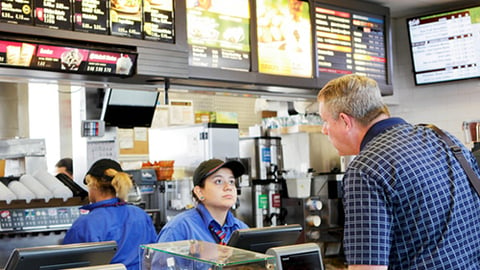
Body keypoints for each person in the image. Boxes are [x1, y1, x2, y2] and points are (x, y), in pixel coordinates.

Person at [317, 74, 480, 270]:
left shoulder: (365, 170)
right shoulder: (445, 140)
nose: (324, 130)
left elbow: (368, 268)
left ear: (345, 121)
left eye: (325, 121)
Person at [63, 159, 157, 270]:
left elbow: (68, 263)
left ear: (94, 185)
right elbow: (154, 254)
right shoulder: (140, 215)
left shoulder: (85, 224)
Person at [157, 158, 248, 244]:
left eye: (231, 181)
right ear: (199, 192)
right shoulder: (179, 228)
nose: (228, 187)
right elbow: (161, 260)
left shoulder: (242, 229)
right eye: (218, 181)